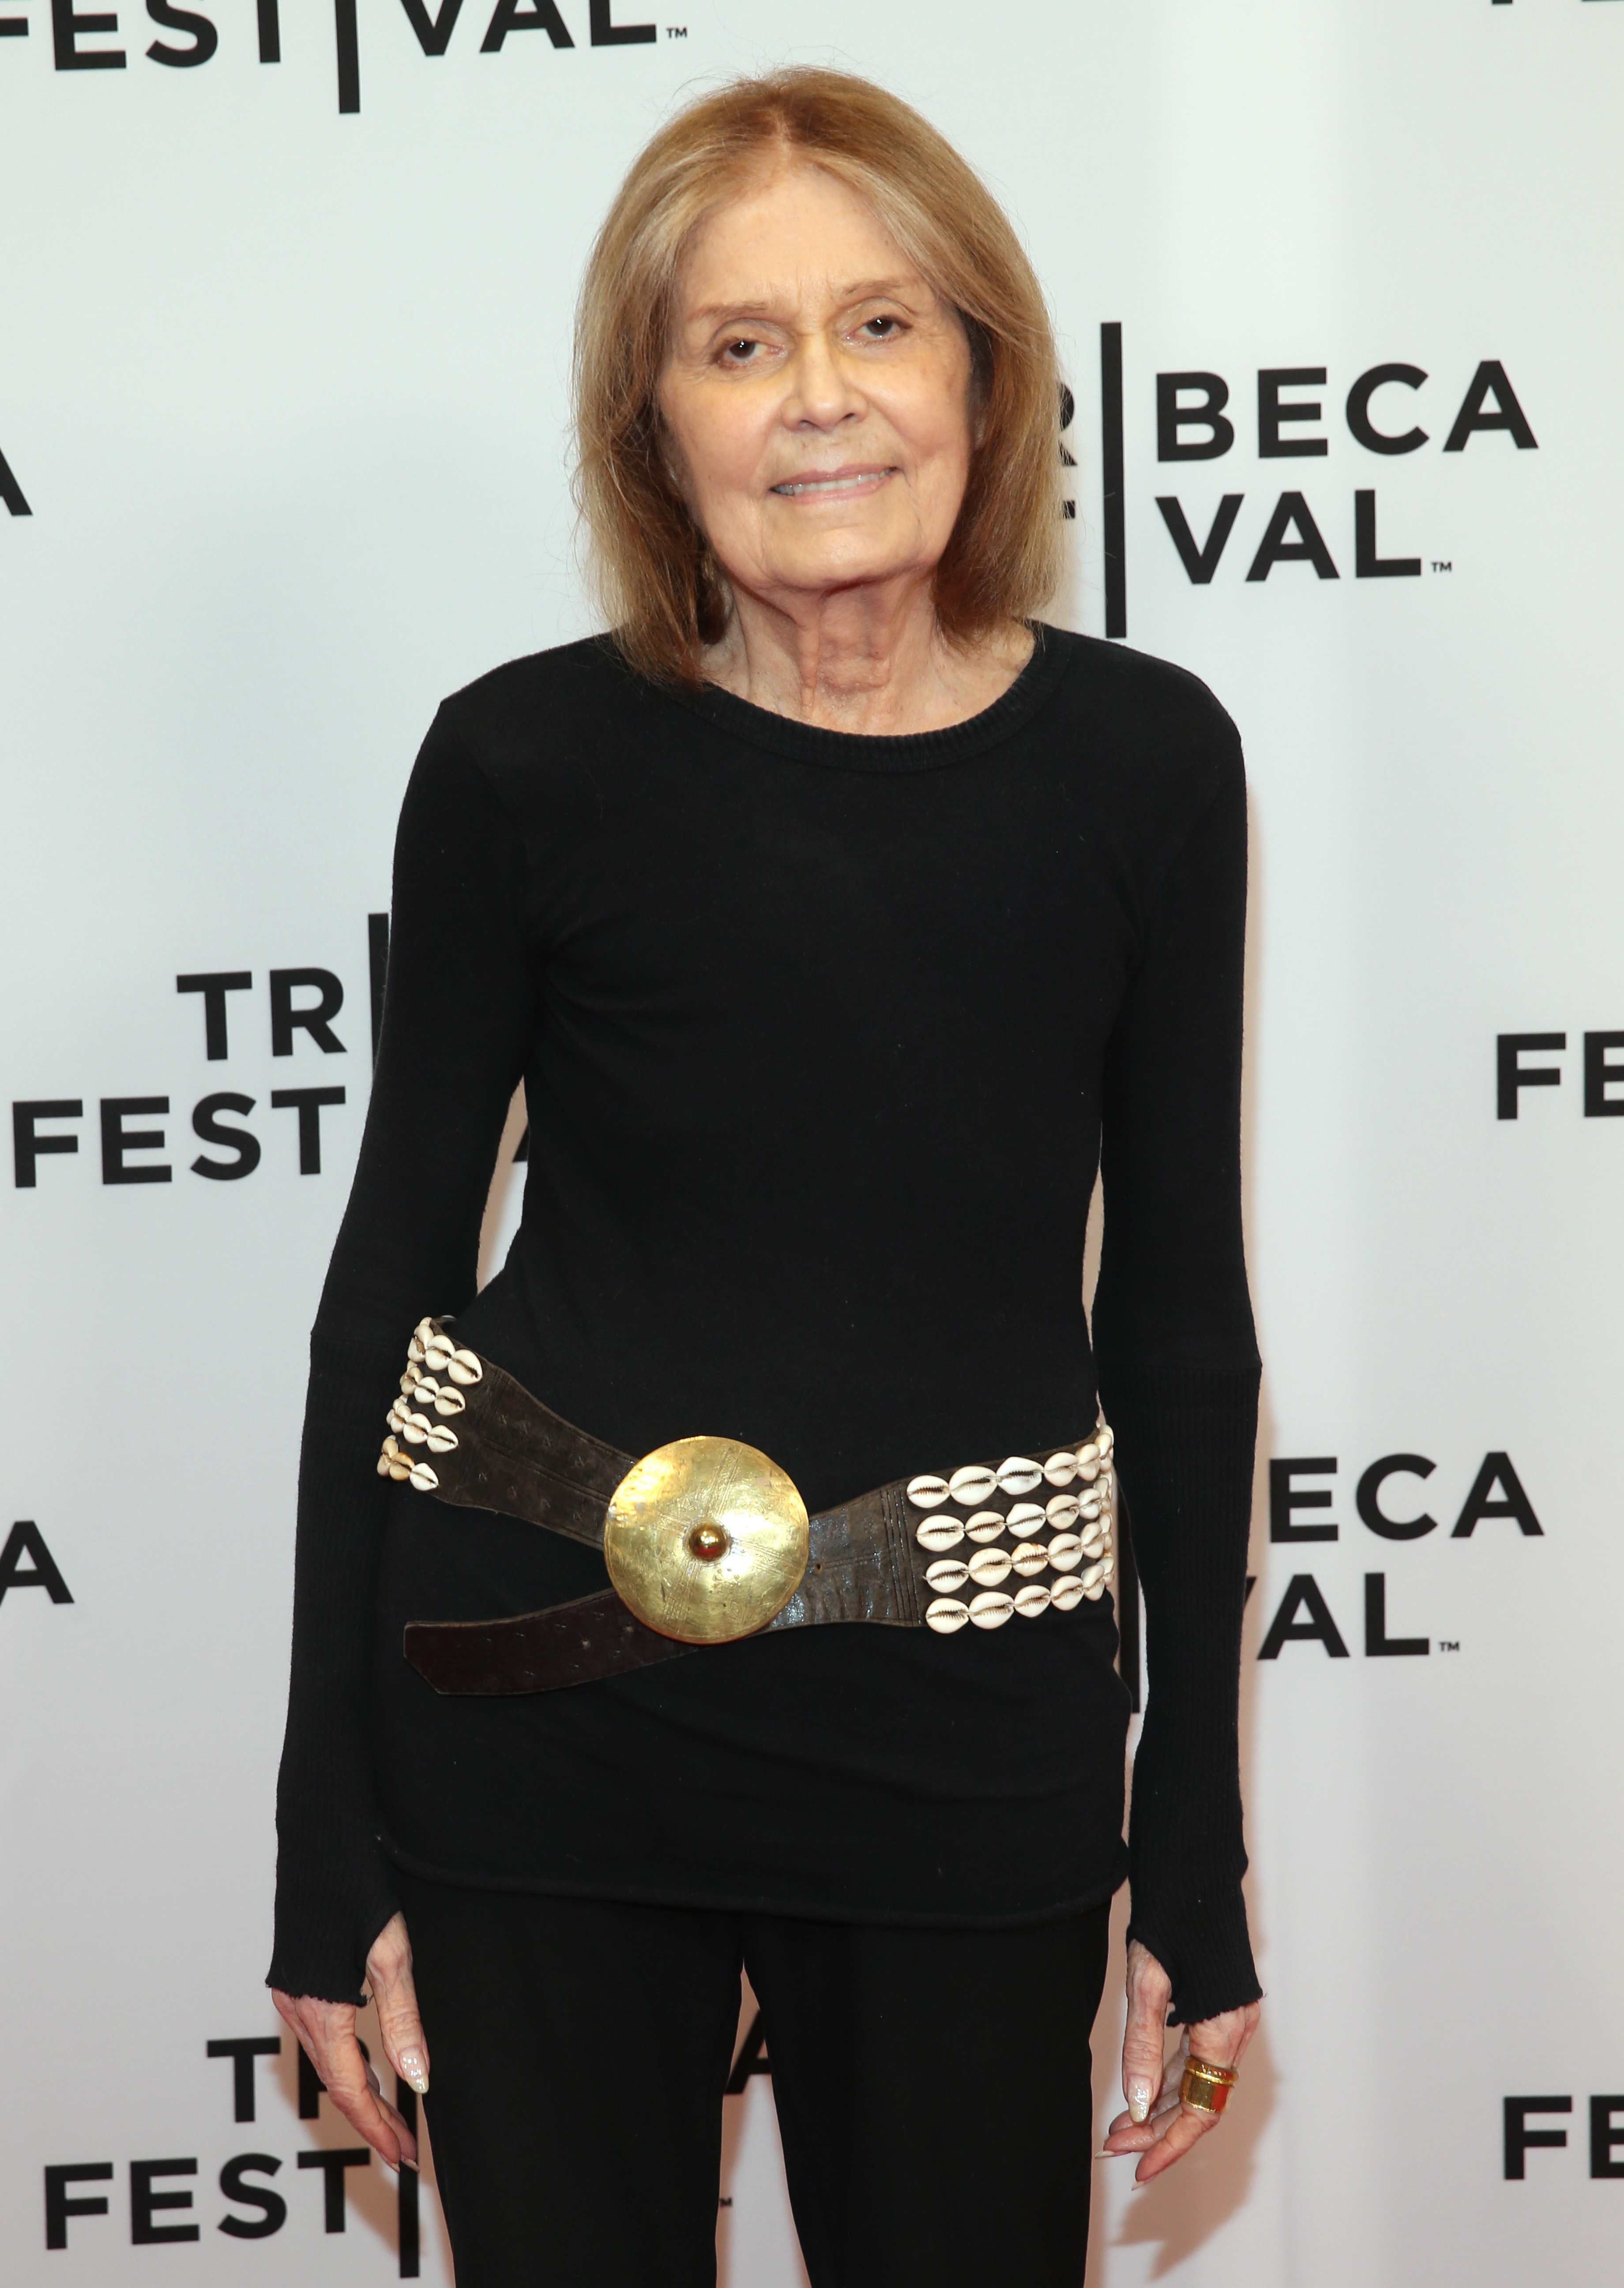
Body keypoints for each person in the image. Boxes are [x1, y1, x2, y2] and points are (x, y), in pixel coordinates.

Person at [268, 65, 1263, 2288]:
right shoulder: (519, 761)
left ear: (983, 374)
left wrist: (1187, 1859)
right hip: (535, 1733)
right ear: (654, 424)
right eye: (738, 344)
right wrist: (326, 1841)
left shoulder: (1145, 764)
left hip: (963, 1741)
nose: (819, 397)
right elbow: (386, 1299)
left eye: (879, 324)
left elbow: (1179, 1335)